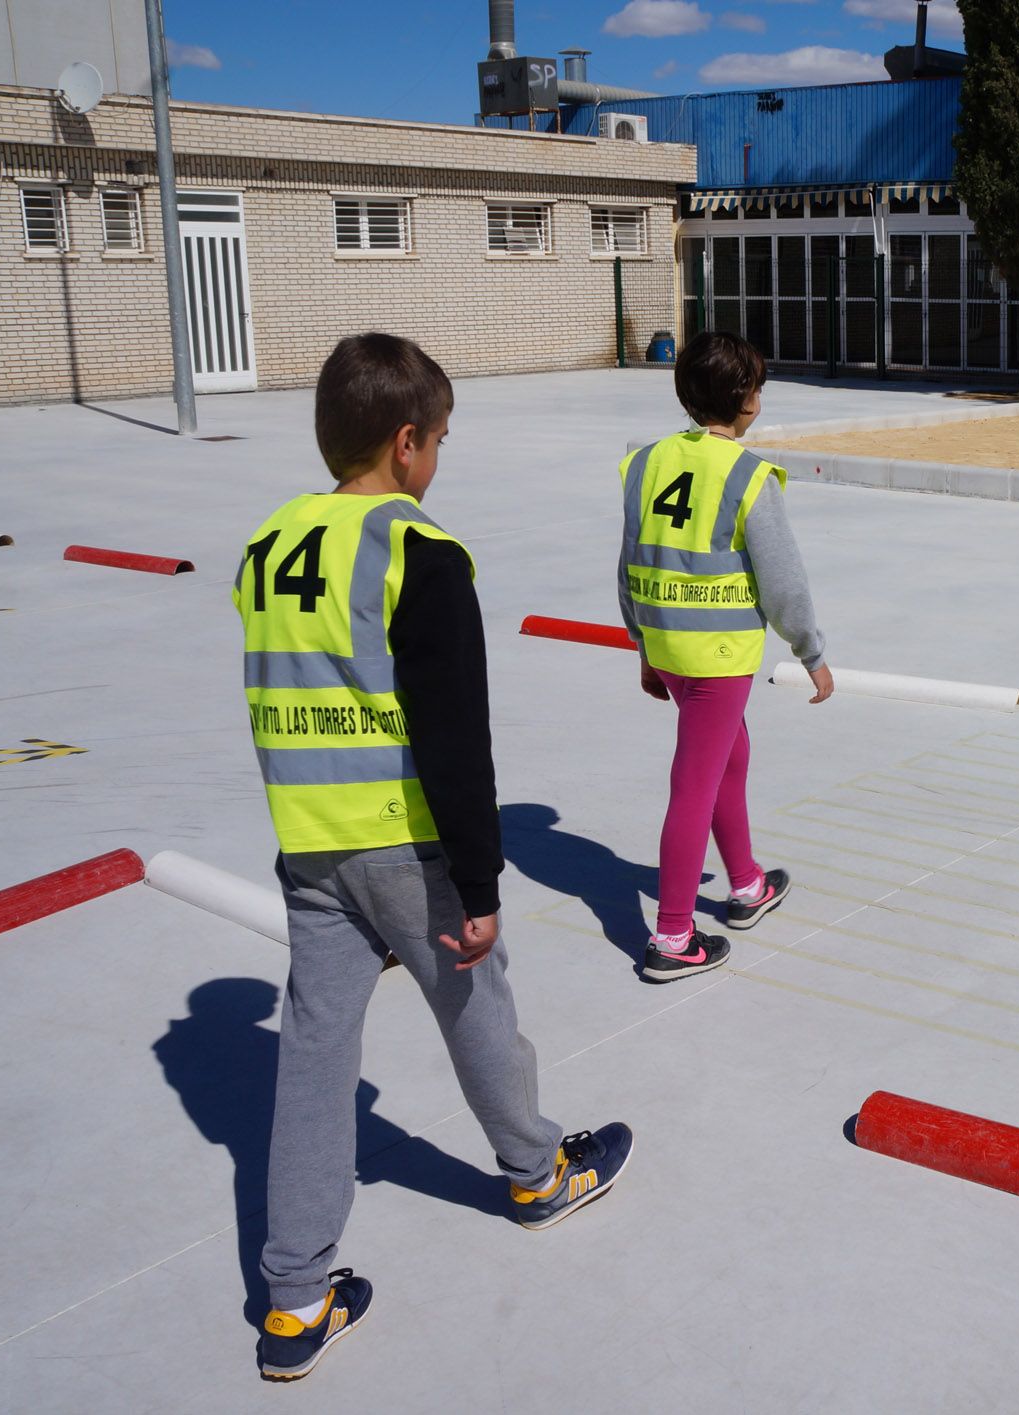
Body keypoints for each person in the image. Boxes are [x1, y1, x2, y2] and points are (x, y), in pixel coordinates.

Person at [233, 334, 633, 1380]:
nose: (441, 457)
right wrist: (483, 879)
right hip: (405, 840)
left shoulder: (269, 541)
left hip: (309, 844)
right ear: (406, 444)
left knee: (314, 1060)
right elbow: (454, 730)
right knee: (474, 1007)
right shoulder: (417, 548)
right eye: (442, 439)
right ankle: (537, 1173)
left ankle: (294, 1299)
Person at [619, 331, 832, 983]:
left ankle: (746, 885)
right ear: (745, 400)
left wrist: (646, 647)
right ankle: (674, 935)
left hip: (673, 649)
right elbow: (784, 582)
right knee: (694, 785)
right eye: (758, 385)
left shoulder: (646, 462)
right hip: (718, 656)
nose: (760, 396)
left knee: (727, 758)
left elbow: (631, 561)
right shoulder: (747, 475)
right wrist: (811, 651)